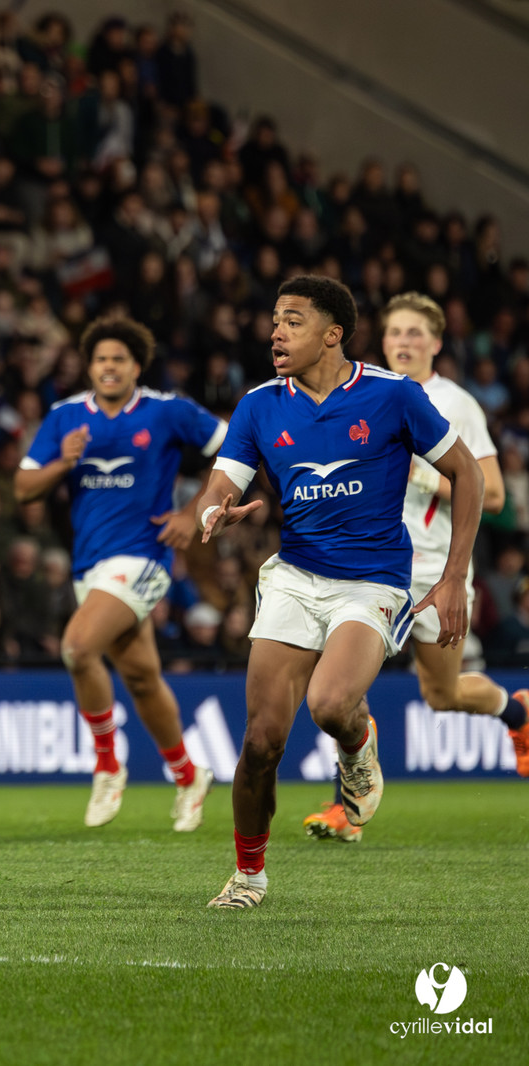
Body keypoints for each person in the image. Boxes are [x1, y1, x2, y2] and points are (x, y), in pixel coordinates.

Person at [197, 276, 483, 908]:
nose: (276, 330)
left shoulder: (393, 397)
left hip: (372, 580)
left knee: (329, 705)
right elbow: (220, 484)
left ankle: (357, 743)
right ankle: (248, 876)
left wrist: (453, 576)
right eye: (274, 318)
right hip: (296, 577)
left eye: (292, 320)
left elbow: (468, 474)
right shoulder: (258, 405)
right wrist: (219, 511)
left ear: (332, 334)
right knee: (260, 740)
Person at [303, 293, 528, 842]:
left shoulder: (457, 403)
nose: (403, 341)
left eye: (414, 333)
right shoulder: (365, 393)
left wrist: (429, 478)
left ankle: (518, 715)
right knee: (341, 683)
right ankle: (346, 809)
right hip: (371, 565)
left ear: (436, 343)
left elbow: (495, 494)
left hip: (435, 571)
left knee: (442, 695)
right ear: (382, 341)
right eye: (395, 332)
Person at [16, 316, 226, 830]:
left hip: (144, 556)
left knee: (77, 646)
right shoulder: (65, 417)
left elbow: (235, 449)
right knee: (141, 677)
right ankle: (186, 774)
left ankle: (108, 765)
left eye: (119, 359)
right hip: (89, 564)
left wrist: (192, 509)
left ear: (137, 366)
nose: (109, 367)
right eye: (100, 359)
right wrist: (63, 464)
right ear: (89, 367)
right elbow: (23, 488)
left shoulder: (168, 411)